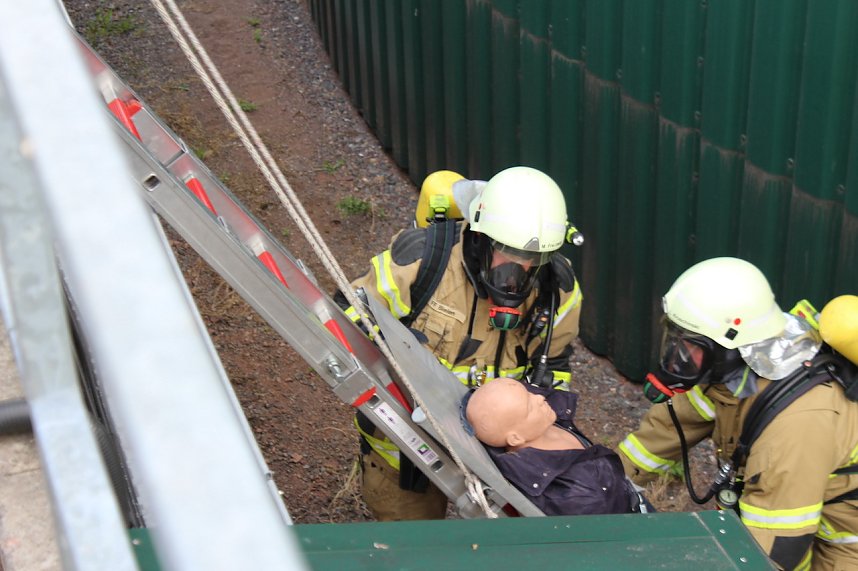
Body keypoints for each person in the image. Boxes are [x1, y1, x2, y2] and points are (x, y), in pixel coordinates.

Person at [336, 166, 584, 521]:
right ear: (481, 237)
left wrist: (539, 437)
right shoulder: (423, 261)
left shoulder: (558, 292)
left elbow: (554, 365)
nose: (520, 271)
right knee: (413, 546)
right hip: (407, 450)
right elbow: (347, 314)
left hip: (501, 456)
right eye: (508, 252)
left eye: (535, 259)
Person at [617, 257, 858, 571]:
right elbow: (657, 440)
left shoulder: (796, 424)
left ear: (731, 347)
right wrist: (600, 488)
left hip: (844, 541)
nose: (679, 357)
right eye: (675, 339)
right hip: (799, 509)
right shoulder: (728, 377)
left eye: (690, 346)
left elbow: (775, 550)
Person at [464, 377, 647, 516]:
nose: (538, 397)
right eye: (529, 407)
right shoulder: (576, 493)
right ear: (515, 438)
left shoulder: (534, 424)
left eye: (528, 393)